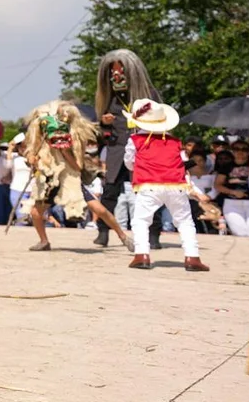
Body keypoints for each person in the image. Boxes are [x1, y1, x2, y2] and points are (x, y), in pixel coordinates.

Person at [22, 101, 129, 252]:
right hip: (50, 181)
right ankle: (44, 241)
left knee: (99, 209)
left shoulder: (76, 143)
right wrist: (32, 160)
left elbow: (78, 167)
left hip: (70, 181)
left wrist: (66, 152)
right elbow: (31, 158)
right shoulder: (40, 145)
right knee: (35, 212)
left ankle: (123, 236)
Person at [121, 100, 207, 271]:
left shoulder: (136, 139)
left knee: (141, 220)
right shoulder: (175, 141)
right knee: (184, 221)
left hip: (148, 185)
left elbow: (129, 163)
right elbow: (178, 161)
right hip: (175, 184)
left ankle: (142, 255)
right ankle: (192, 257)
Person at [92, 50, 160, 249]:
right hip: (117, 151)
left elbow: (162, 121)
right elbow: (101, 134)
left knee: (146, 194)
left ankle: (153, 235)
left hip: (142, 150)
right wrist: (104, 124)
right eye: (112, 72)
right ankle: (103, 232)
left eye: (120, 71)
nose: (116, 76)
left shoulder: (149, 95)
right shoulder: (109, 99)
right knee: (109, 193)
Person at [213, 136, 249, 237]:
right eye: (237, 149)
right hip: (232, 204)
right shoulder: (226, 166)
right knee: (240, 234)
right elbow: (218, 185)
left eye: (244, 149)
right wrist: (233, 192)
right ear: (232, 151)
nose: (240, 152)